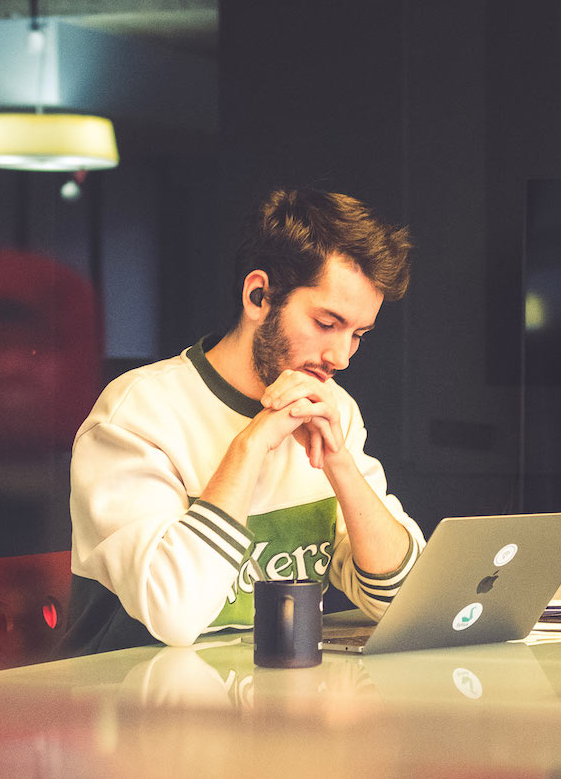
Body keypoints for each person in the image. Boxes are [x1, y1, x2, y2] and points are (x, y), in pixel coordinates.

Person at [60, 186, 425, 656]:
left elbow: (403, 600)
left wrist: (340, 465)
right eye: (326, 323)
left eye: (358, 334)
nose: (341, 357)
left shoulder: (334, 410)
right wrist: (251, 446)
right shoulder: (136, 413)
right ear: (259, 296)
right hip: (132, 705)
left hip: (268, 706)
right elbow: (175, 613)